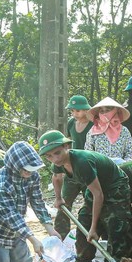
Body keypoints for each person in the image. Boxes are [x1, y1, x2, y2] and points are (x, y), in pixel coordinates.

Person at [40, 131, 132, 262]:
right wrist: (59, 198)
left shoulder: (82, 162)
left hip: (115, 187)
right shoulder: (58, 162)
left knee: (116, 229)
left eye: (57, 153)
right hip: (95, 188)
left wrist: (95, 228)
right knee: (83, 231)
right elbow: (56, 177)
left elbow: (99, 195)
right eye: (49, 156)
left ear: (66, 146)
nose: (55, 158)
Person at [54, 95, 94, 238]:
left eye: (78, 111)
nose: (75, 114)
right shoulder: (71, 123)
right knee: (64, 202)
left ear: (86, 110)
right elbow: (67, 143)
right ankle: (60, 235)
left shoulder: (93, 124)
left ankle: (90, 234)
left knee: (91, 203)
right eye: (72, 111)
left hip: (87, 167)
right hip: (71, 166)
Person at [85, 97, 132, 162]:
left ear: (115, 111)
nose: (104, 114)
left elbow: (129, 152)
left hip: (120, 169)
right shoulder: (93, 131)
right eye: (102, 111)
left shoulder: (124, 131)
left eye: (107, 110)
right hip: (100, 168)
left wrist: (122, 164)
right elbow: (88, 153)